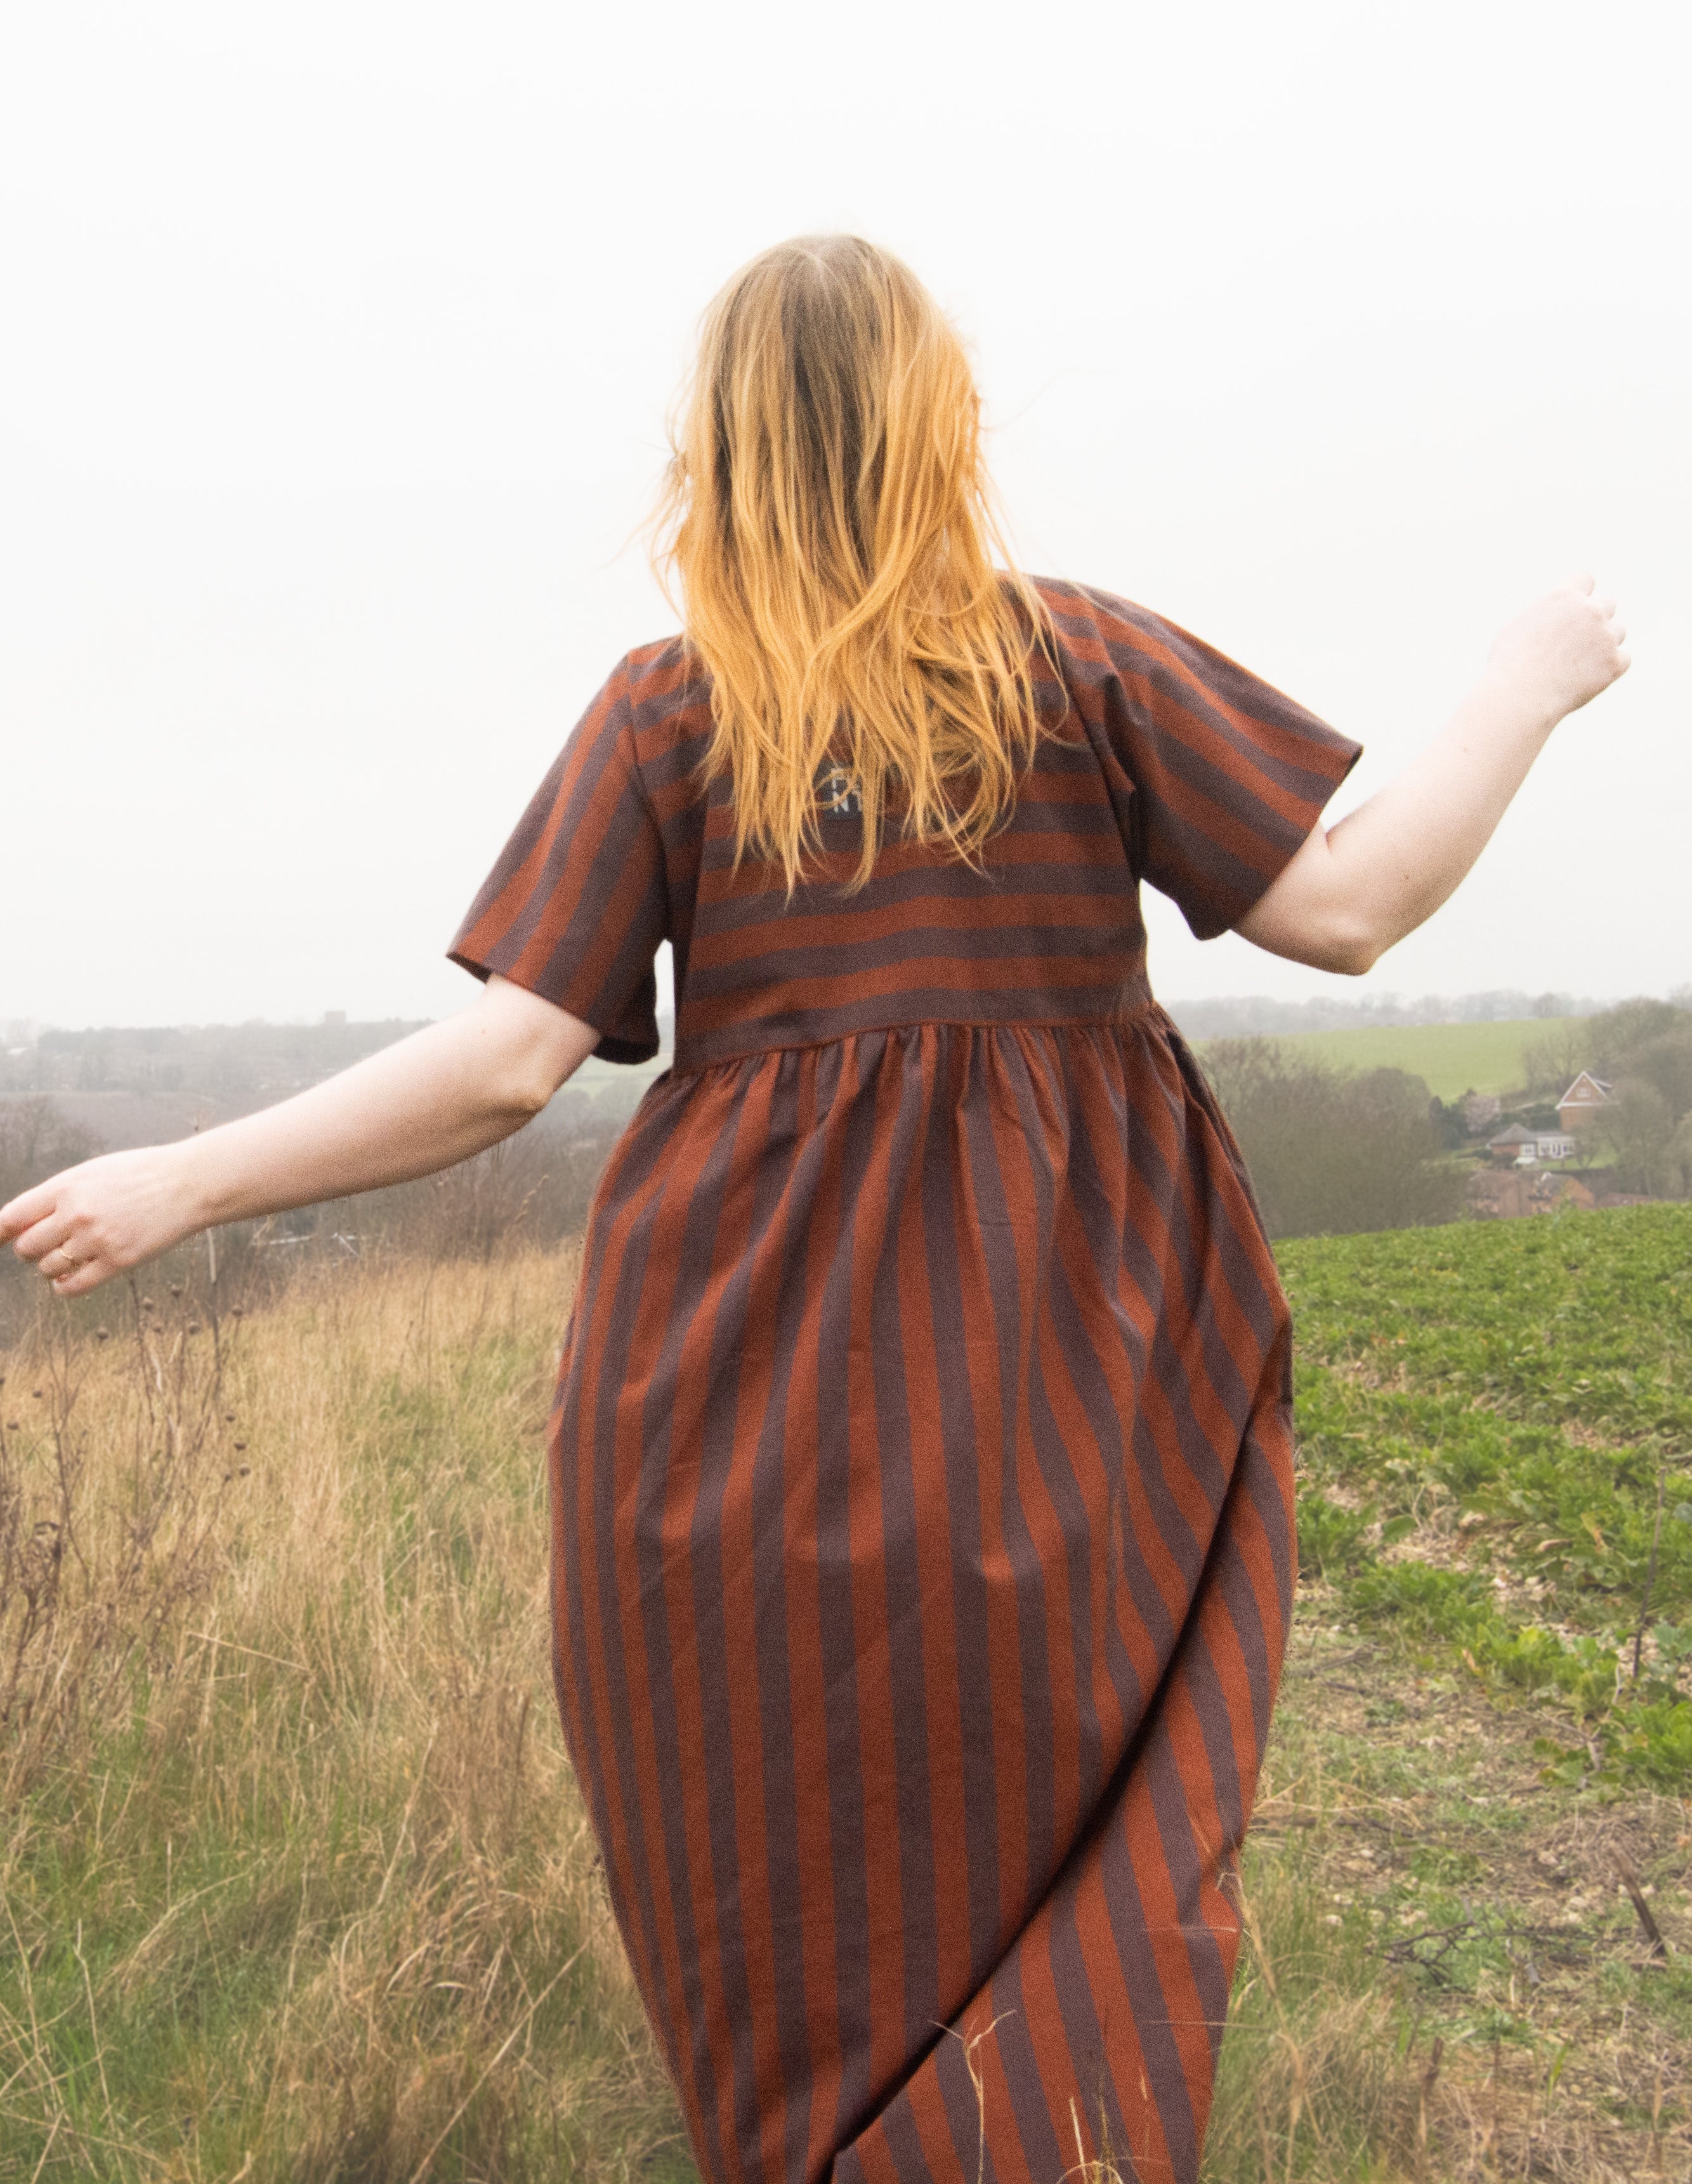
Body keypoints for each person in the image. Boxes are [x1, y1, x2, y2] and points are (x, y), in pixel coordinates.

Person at [1, 236, 1628, 2184]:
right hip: (1076, 1384)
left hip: (738, 1393)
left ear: (723, 455)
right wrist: (1520, 689)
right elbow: (1349, 908)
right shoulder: (1079, 665)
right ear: (941, 431)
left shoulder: (663, 717)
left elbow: (510, 1063)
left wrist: (183, 1178)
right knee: (1078, 1837)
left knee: (785, 1863)